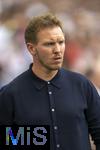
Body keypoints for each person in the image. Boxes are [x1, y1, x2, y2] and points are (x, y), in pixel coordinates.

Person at [0, 13, 100, 150]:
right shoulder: (10, 94)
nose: (58, 50)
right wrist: (40, 136)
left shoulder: (82, 85)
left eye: (61, 42)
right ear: (31, 48)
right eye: (49, 44)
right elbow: (6, 141)